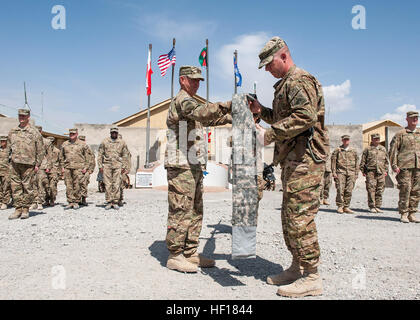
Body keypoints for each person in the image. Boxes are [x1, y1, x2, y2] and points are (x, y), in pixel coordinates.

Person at [249, 37, 329, 297]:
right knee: (289, 217)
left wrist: (268, 135)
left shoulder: (299, 80)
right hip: (294, 160)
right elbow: (288, 117)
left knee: (300, 218)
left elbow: (305, 117)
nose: (267, 70)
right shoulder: (285, 85)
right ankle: (297, 267)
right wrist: (262, 111)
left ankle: (312, 275)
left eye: (269, 64)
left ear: (283, 56)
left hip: (306, 160)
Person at [165, 65, 232, 273]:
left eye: (199, 81)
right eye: (193, 80)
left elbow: (210, 117)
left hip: (193, 164)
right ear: (182, 80)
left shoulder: (192, 104)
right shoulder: (183, 100)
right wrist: (228, 105)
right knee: (180, 208)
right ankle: (175, 255)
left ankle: (190, 253)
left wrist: (234, 116)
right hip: (181, 165)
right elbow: (202, 112)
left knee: (195, 209)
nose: (196, 84)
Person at [7, 109, 44, 219]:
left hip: (29, 164)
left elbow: (40, 150)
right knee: (15, 187)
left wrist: (37, 164)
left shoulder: (34, 132)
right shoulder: (13, 131)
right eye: (20, 116)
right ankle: (18, 209)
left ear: (28, 117)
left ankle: (25, 209)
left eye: (24, 116)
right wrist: (8, 162)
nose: (21, 118)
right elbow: (8, 147)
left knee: (27, 187)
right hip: (15, 163)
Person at [389, 111, 420, 223]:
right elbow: (392, 151)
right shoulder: (400, 134)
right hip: (404, 166)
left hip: (418, 166)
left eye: (416, 117)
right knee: (405, 189)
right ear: (407, 119)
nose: (415, 119)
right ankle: (404, 213)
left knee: (416, 190)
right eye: (412, 118)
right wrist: (394, 165)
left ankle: (412, 213)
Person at [97, 127, 129, 210]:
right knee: (108, 184)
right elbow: (100, 154)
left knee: (117, 184)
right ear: (110, 133)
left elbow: (125, 155)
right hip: (107, 165)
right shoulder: (105, 142)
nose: (114, 134)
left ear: (117, 133)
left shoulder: (122, 142)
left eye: (115, 132)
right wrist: (100, 166)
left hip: (118, 166)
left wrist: (124, 166)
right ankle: (109, 201)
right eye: (112, 132)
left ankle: (115, 201)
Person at [59, 128, 90, 210]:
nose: (71, 135)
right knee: (68, 185)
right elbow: (61, 157)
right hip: (67, 167)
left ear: (76, 134)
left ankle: (76, 201)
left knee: (77, 185)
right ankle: (70, 201)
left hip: (78, 168)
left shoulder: (83, 144)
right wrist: (62, 167)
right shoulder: (65, 144)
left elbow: (88, 157)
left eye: (73, 134)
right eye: (70, 134)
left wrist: (86, 167)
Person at [359, 133, 389, 213]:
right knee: (371, 189)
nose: (377, 140)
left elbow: (386, 161)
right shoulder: (368, 149)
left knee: (380, 189)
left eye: (378, 138)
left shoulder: (383, 149)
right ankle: (372, 206)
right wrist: (363, 171)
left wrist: (386, 170)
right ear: (372, 139)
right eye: (375, 138)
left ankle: (378, 206)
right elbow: (363, 161)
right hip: (370, 172)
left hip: (381, 172)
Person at [331, 135, 359, 214]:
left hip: (351, 172)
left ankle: (346, 206)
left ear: (349, 140)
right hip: (340, 172)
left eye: (347, 140)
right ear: (342, 140)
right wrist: (334, 172)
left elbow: (357, 162)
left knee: (349, 190)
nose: (346, 141)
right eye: (344, 140)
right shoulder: (338, 150)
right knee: (340, 189)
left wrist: (356, 173)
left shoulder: (353, 150)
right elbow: (333, 162)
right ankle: (340, 206)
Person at [78, 135, 95, 206]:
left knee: (84, 184)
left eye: (83, 140)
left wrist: (91, 170)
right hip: (77, 169)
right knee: (76, 184)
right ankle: (77, 199)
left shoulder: (88, 149)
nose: (82, 142)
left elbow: (92, 159)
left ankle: (83, 198)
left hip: (86, 170)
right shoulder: (77, 148)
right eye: (80, 140)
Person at [0, 135, 11, 210]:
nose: (2, 142)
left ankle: (5, 202)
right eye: (1, 141)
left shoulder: (10, 150)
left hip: (7, 171)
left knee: (6, 187)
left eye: (3, 141)